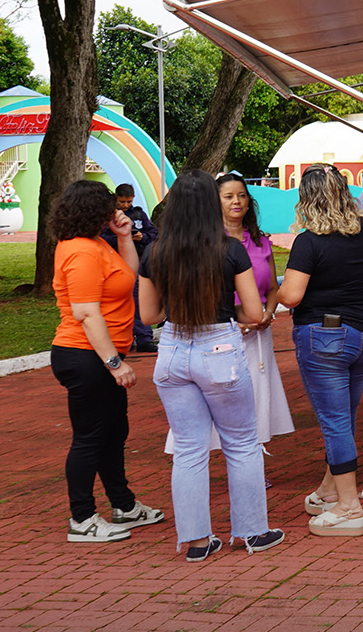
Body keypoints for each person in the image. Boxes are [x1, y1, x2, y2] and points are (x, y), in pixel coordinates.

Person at [137, 170, 281, 561]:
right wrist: (222, 310)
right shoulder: (229, 249)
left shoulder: (154, 252)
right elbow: (253, 312)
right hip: (219, 348)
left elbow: (149, 315)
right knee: (241, 443)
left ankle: (197, 541)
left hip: (172, 348)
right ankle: (251, 531)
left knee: (188, 450)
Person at [49, 180, 166, 543]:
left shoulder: (95, 244)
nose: (117, 211)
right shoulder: (81, 252)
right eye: (110, 207)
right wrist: (115, 363)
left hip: (96, 355)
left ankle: (124, 505)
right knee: (90, 439)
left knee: (113, 434)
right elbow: (86, 313)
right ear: (94, 210)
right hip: (86, 356)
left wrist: (125, 236)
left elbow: (128, 275)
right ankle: (81, 518)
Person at [278, 166, 363, 536]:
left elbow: (291, 295)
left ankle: (349, 506)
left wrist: (272, 292)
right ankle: (329, 490)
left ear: (308, 199)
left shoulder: (309, 242)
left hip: (324, 335)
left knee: (335, 420)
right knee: (344, 417)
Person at [162, 175, 297, 461]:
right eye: (228, 196)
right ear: (215, 201)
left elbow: (273, 287)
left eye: (242, 195)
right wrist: (239, 320)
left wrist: (266, 314)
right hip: (219, 333)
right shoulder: (206, 245)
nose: (237, 202)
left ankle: (252, 455)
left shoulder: (261, 242)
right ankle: (211, 456)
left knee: (256, 399)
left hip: (258, 332)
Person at [117, 183, 158, 351]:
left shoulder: (139, 214)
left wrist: (143, 237)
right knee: (120, 303)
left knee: (140, 300)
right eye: (122, 202)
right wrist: (123, 238)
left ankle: (143, 338)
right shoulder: (111, 216)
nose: (125, 205)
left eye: (128, 202)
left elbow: (154, 234)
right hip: (118, 264)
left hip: (139, 263)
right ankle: (122, 339)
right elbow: (103, 238)